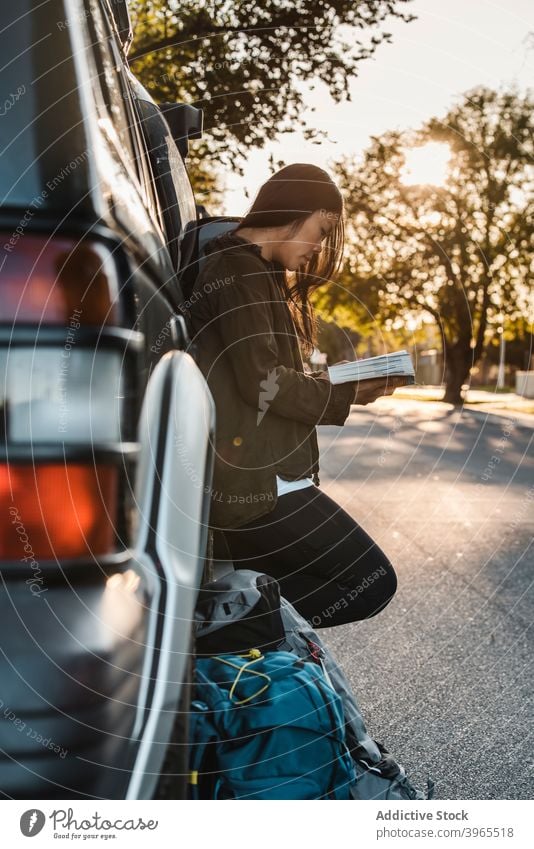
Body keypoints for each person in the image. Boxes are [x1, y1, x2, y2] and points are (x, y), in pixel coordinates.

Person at [187, 163, 402, 628]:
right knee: (370, 581)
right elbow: (263, 380)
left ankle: (223, 630)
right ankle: (204, 629)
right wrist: (344, 396)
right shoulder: (237, 267)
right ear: (296, 213)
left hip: (268, 477)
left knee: (344, 581)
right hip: (254, 487)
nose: (319, 248)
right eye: (320, 231)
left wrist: (339, 386)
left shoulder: (255, 272)